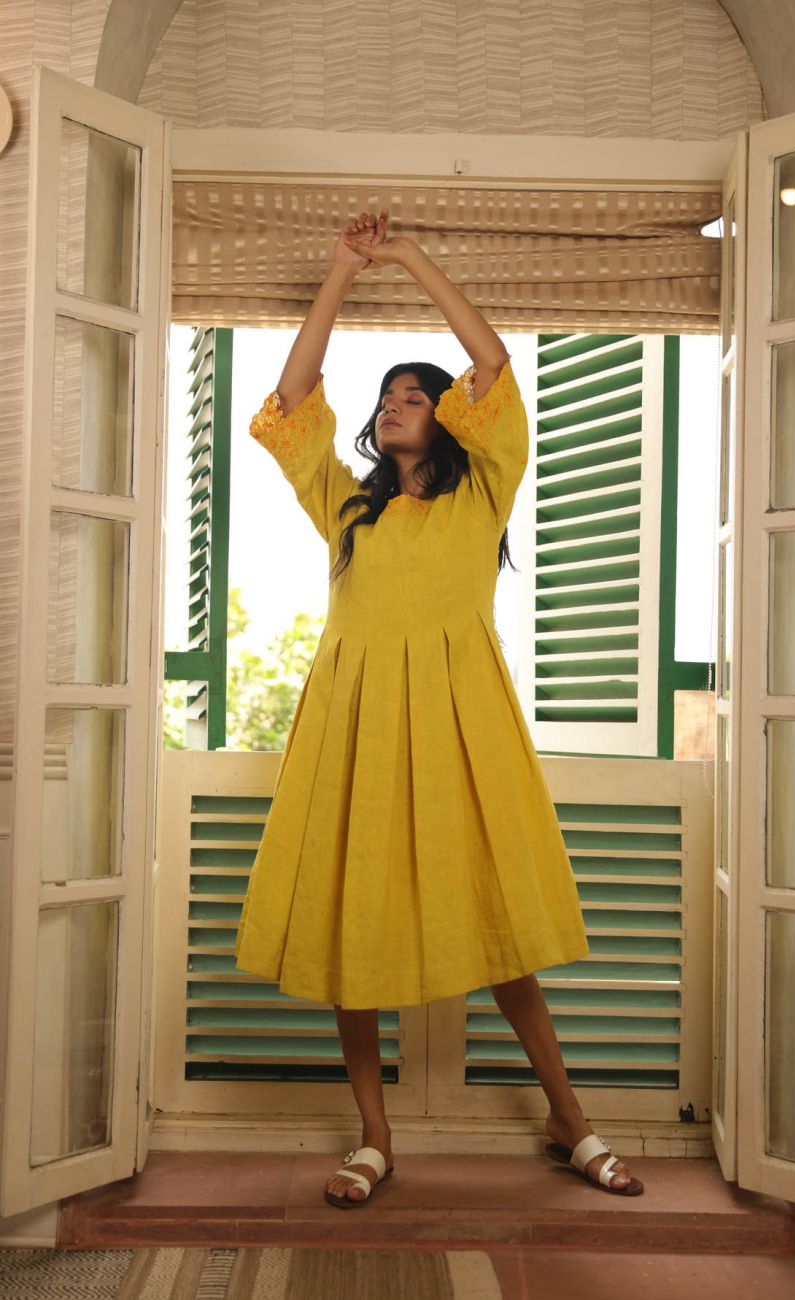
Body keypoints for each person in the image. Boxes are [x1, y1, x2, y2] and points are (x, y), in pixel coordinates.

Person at [234, 209, 644, 1206]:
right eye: (385, 398)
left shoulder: (482, 494)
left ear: (449, 422)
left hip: (460, 735)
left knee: (501, 937)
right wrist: (339, 269)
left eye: (413, 396)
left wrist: (410, 258)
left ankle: (568, 1116)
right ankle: (373, 1136)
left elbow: (493, 361)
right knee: (353, 933)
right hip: (357, 730)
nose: (393, 405)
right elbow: (291, 401)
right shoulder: (344, 504)